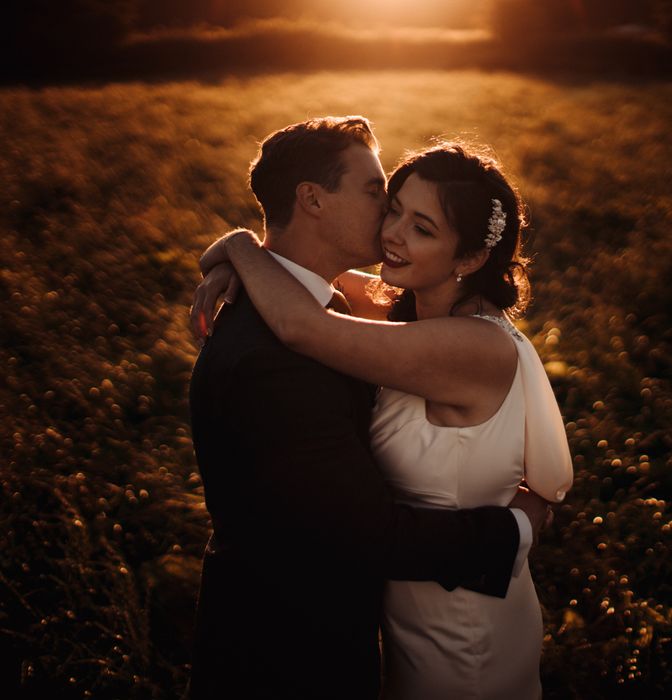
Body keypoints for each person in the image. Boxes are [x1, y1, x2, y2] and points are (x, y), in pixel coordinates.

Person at [187, 116, 558, 700]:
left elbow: (304, 320)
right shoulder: (355, 323)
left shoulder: (454, 340)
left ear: (465, 257)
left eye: (421, 224)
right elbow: (308, 301)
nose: (390, 221)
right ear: (311, 199)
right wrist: (241, 252)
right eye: (381, 196)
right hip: (289, 651)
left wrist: (238, 247)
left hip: (459, 628)